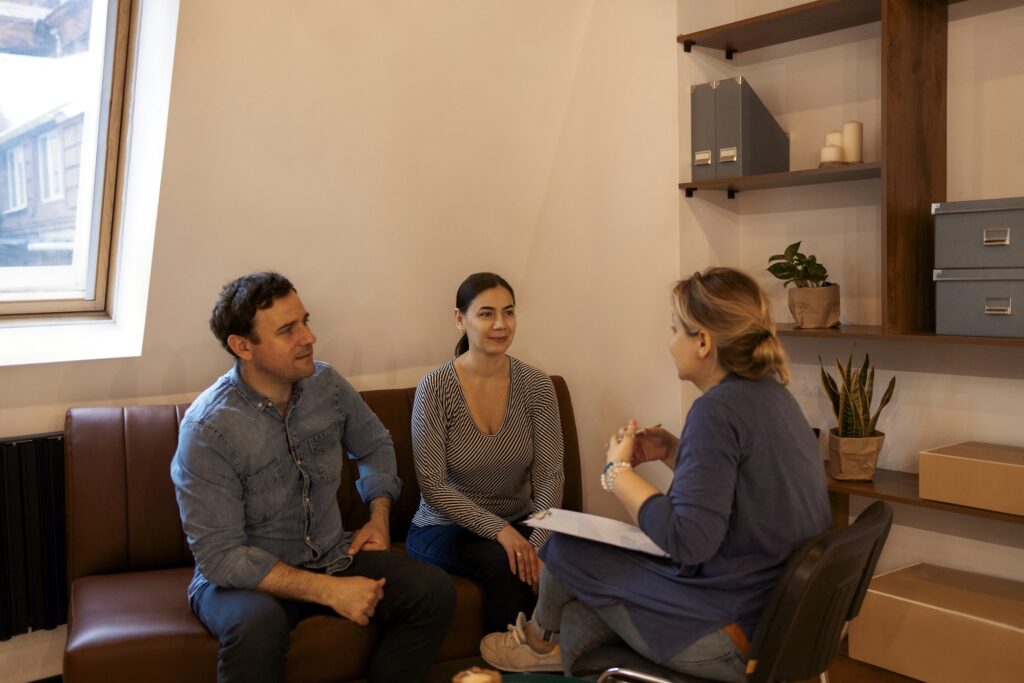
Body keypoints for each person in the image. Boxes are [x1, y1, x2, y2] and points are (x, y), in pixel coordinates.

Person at [480, 267, 832, 681]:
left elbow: (688, 541)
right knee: (577, 621)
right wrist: (674, 452)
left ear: (702, 341)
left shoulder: (716, 411)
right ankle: (545, 641)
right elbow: (742, 493)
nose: (669, 343)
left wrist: (618, 472)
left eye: (674, 330)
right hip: (779, 624)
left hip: (734, 633)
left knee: (566, 548)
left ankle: (537, 641)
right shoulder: (772, 396)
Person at [170, 272, 454, 683]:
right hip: (243, 581)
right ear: (242, 346)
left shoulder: (328, 385)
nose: (309, 337)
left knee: (433, 591)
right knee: (256, 627)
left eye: (305, 320)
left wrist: (378, 516)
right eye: (288, 330)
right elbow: (221, 558)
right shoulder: (208, 429)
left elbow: (374, 445)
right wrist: (329, 591)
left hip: (331, 554)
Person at [405, 272, 565, 633]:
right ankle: (505, 663)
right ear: (460, 319)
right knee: (504, 562)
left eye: (508, 313)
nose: (500, 324)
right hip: (445, 527)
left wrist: (537, 540)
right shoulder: (435, 387)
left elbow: (550, 474)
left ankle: (556, 659)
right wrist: (501, 531)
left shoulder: (537, 385)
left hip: (521, 519)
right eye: (486, 314)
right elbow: (432, 484)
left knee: (572, 558)